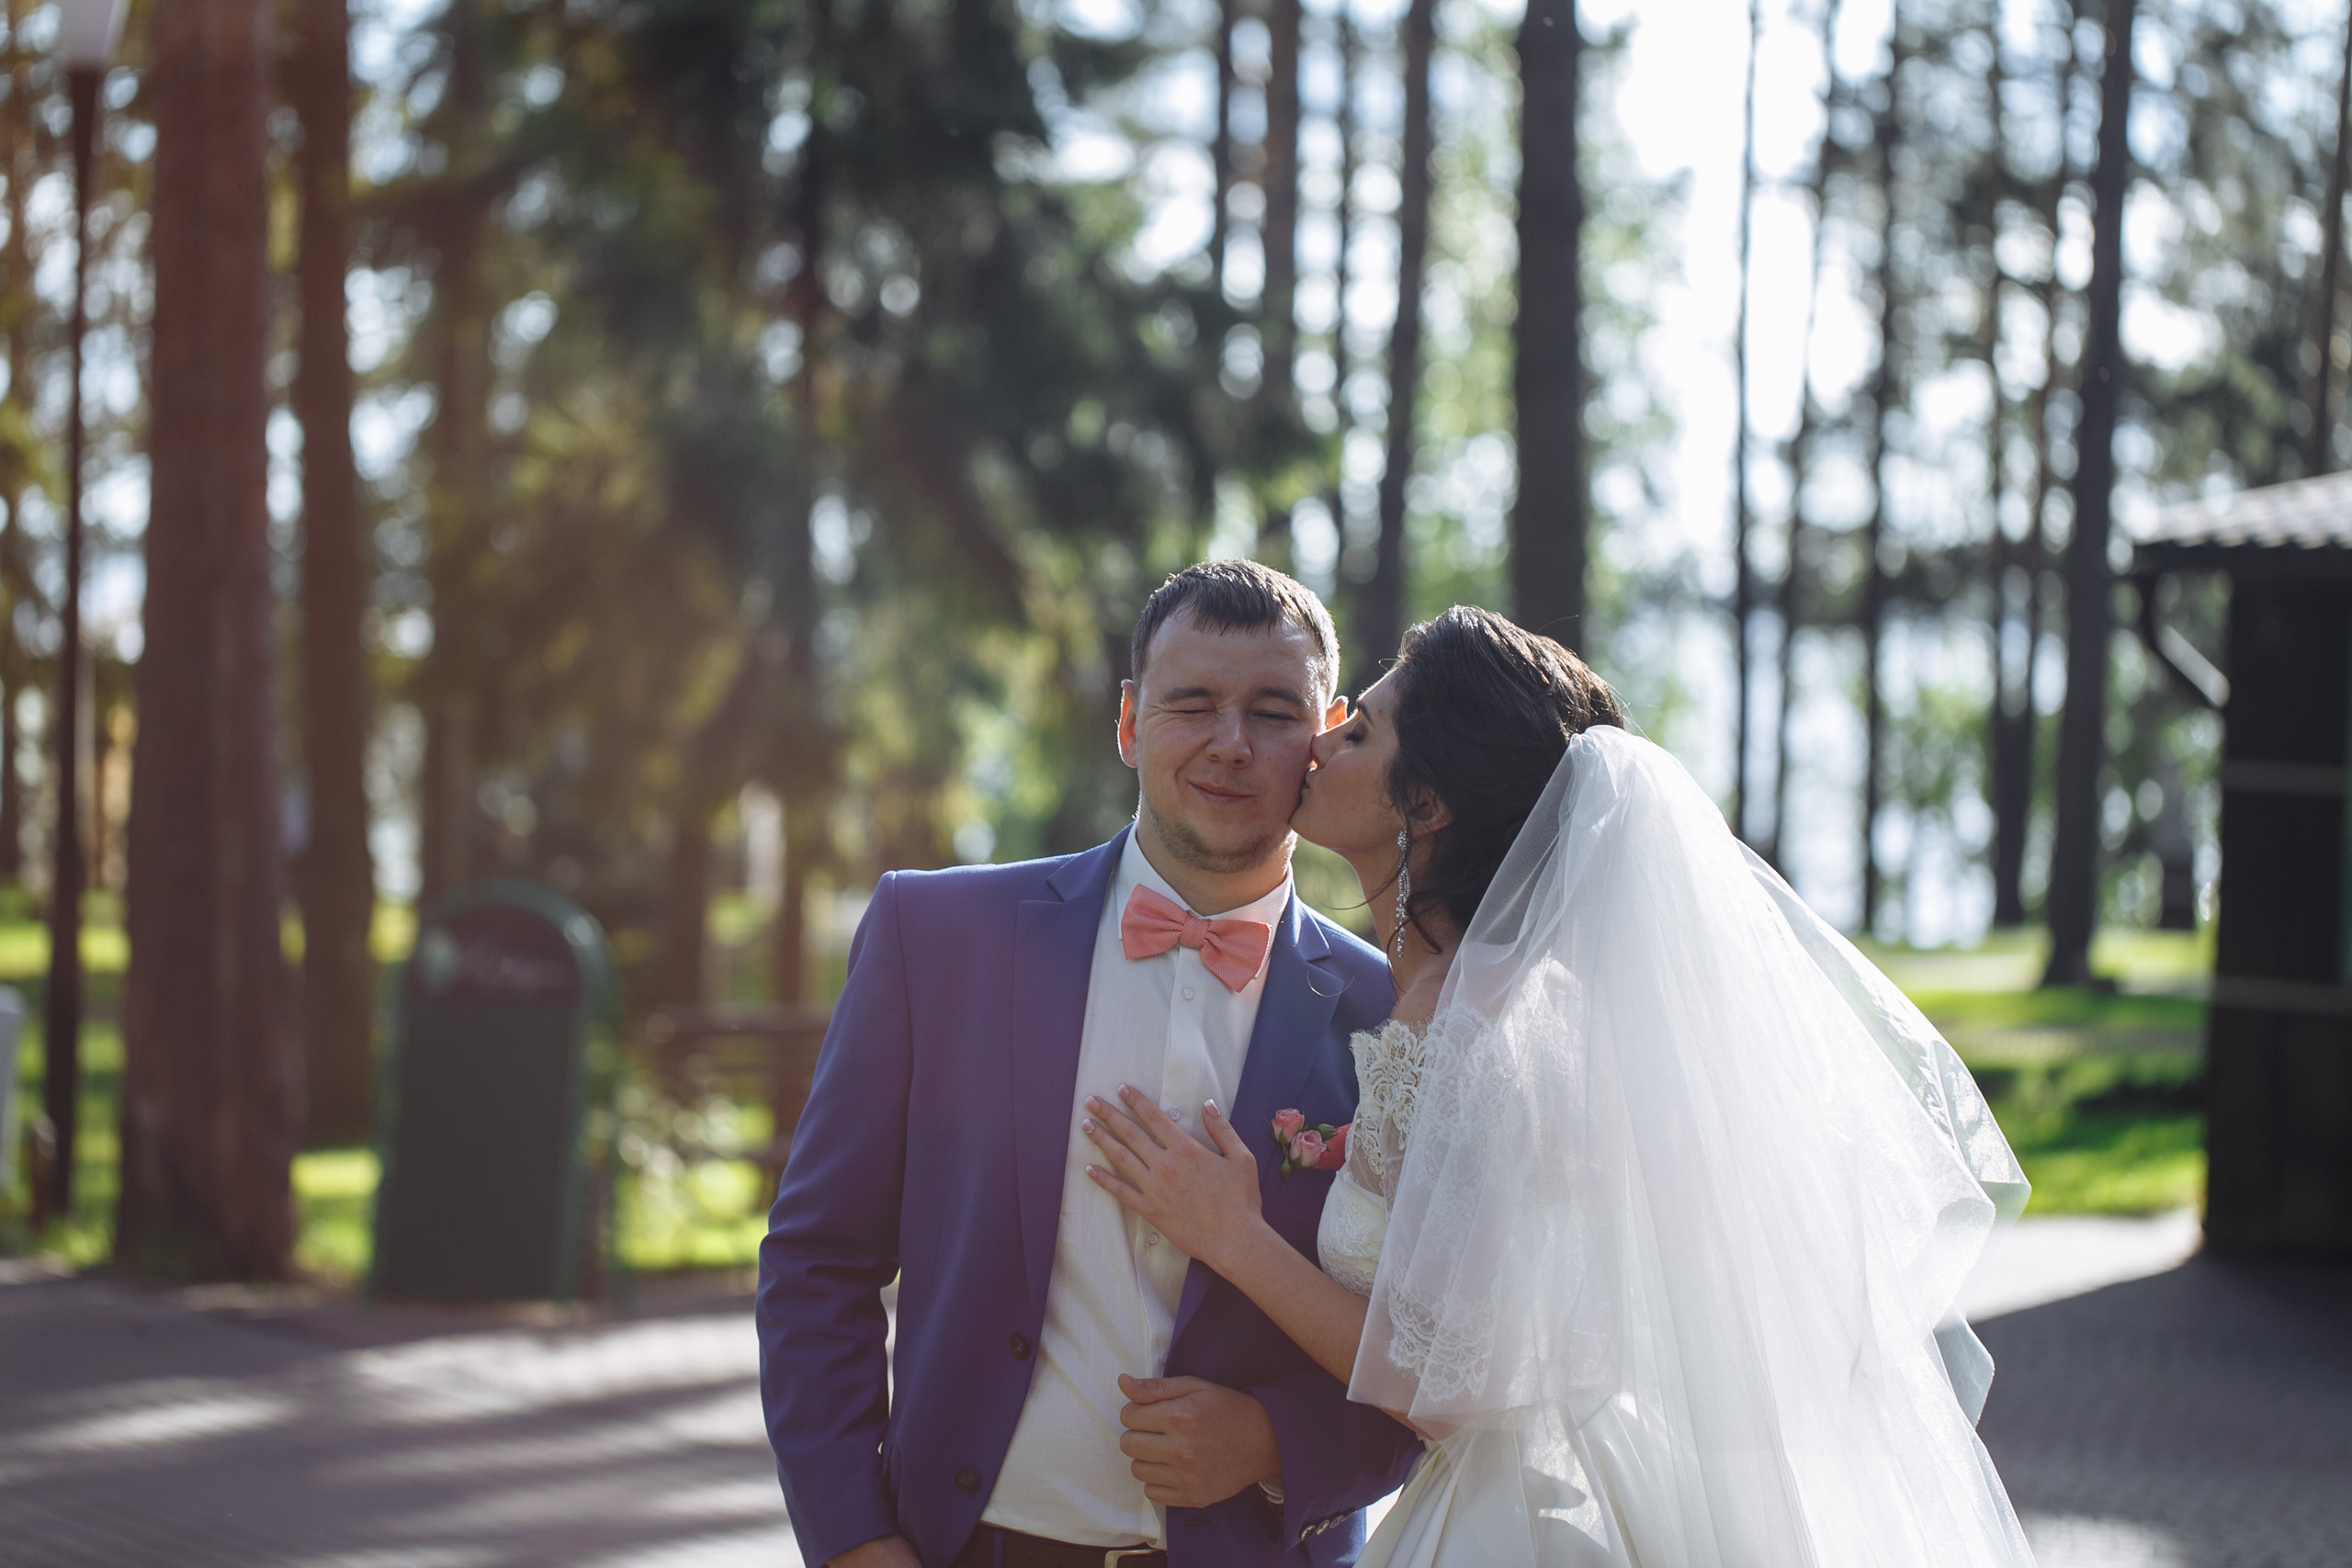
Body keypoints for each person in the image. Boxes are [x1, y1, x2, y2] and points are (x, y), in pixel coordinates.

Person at [1081, 605, 2039, 1568]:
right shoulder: (1462, 1002)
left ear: (1428, 808)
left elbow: (1444, 1384)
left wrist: (1232, 1237)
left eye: (1360, 730)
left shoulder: (1472, 1024)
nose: (1324, 740)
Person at [757, 560, 1424, 1568]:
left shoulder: (1401, 1021)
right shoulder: (934, 936)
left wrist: (1276, 1442)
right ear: (1127, 723)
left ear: (1327, 736)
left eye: (1273, 712)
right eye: (1190, 703)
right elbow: (817, 1265)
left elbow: (1449, 1355)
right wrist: (853, 1539)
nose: (1230, 744)